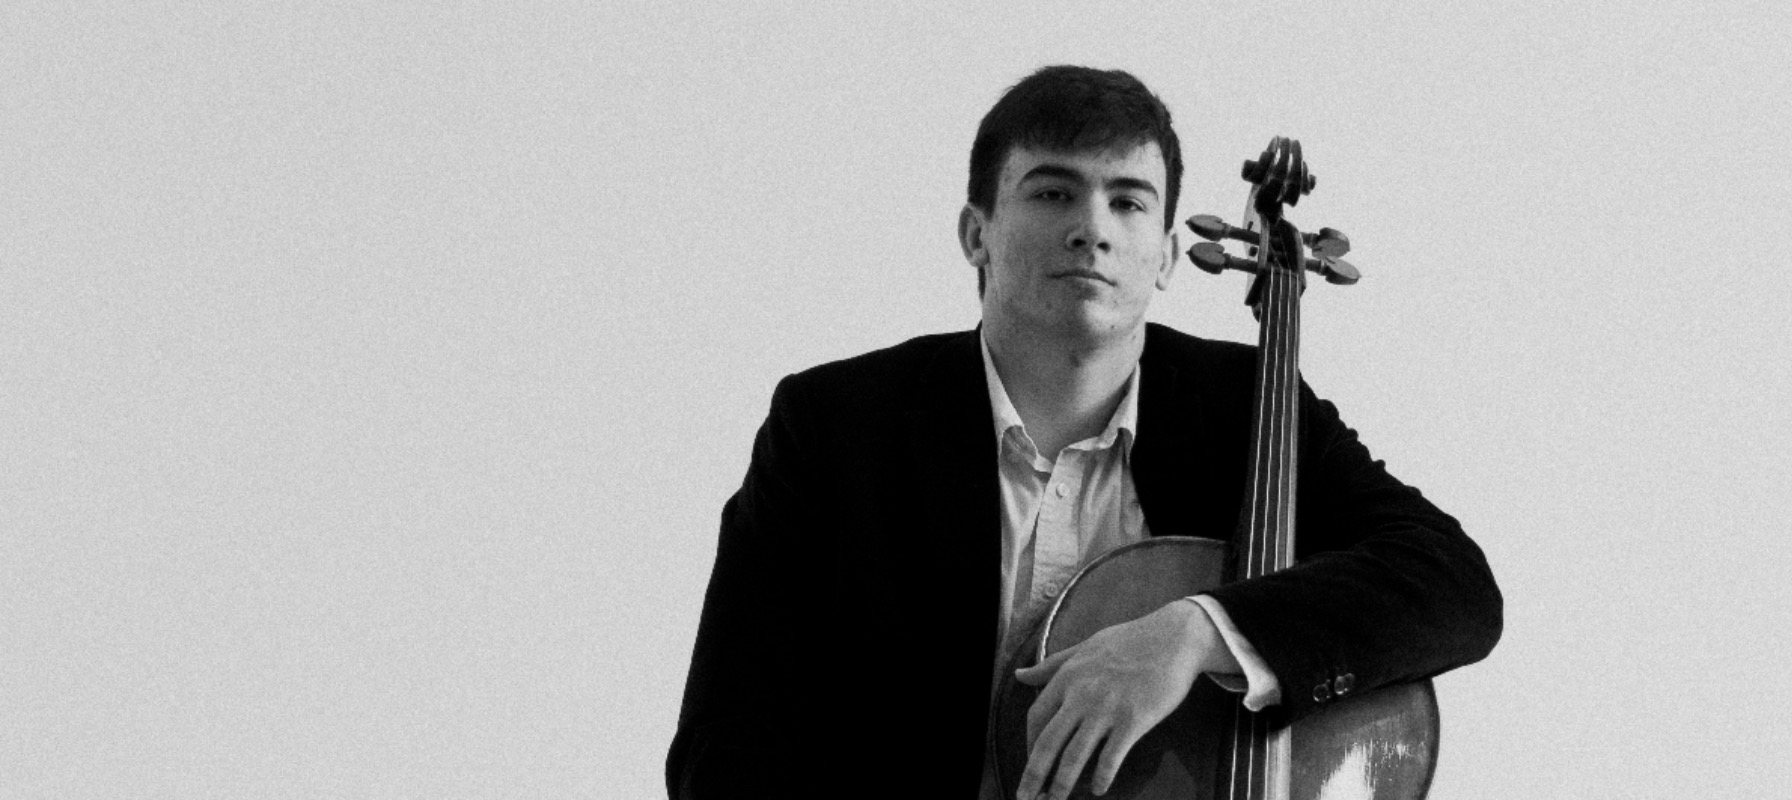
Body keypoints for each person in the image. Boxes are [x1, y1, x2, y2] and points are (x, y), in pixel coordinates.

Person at [666, 65, 1501, 800]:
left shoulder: (1248, 407)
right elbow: (724, 749)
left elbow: (1452, 584)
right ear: (976, 234)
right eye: (1052, 192)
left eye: (1127, 201)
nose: (1092, 228)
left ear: (1166, 255)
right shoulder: (837, 426)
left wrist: (1195, 632)